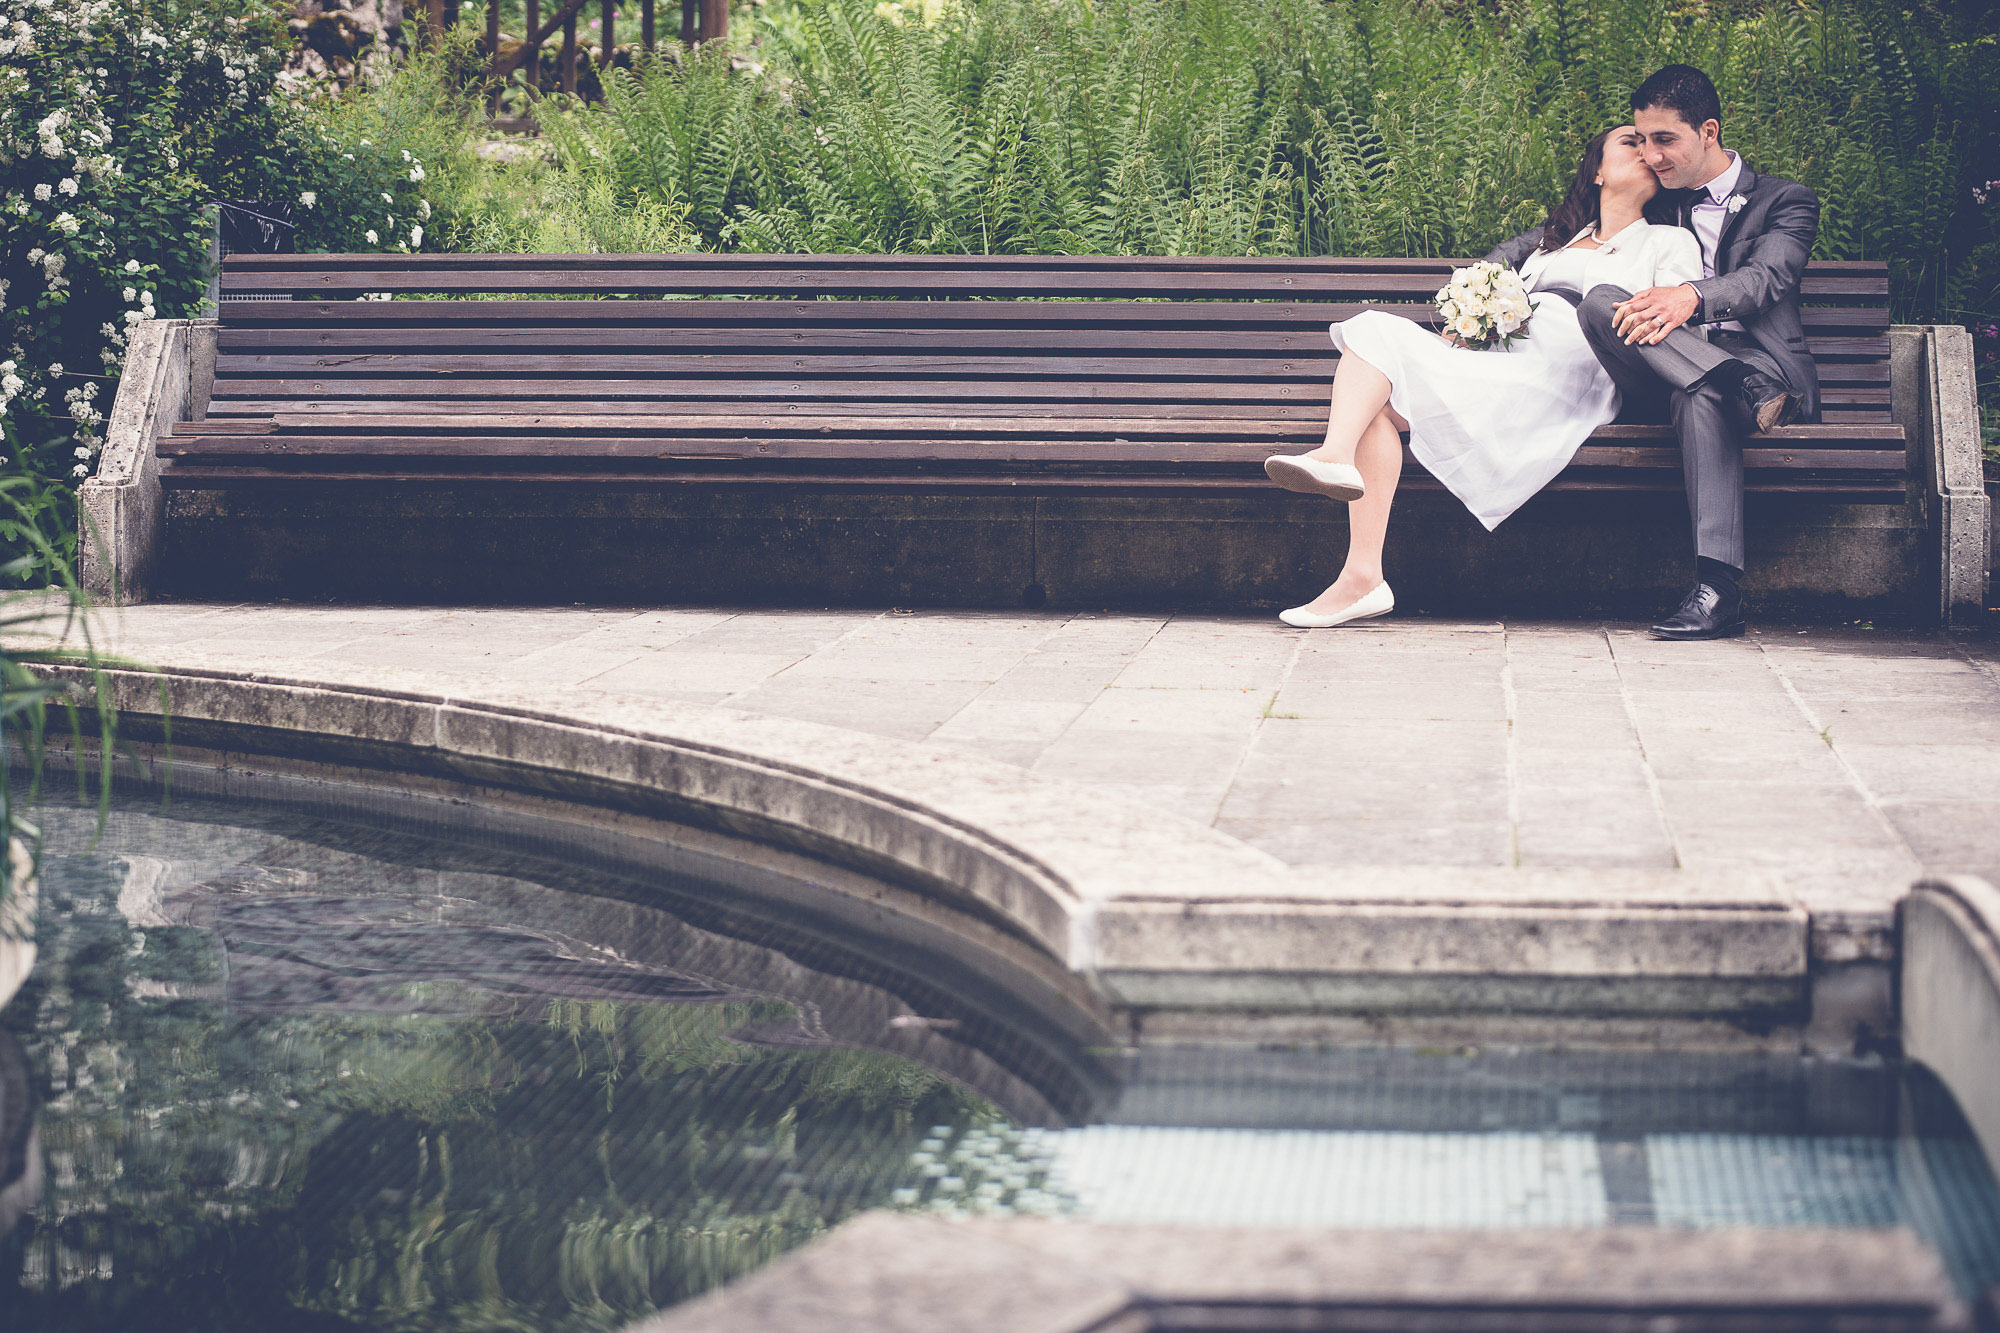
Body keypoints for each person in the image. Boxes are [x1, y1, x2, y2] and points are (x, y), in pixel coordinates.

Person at [1262, 126, 1701, 628]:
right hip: (1502, 365)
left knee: (1378, 370)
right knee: (1374, 353)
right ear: (1598, 171)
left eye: (1652, 145)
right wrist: (1477, 323)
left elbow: (1667, 327)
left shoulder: (1668, 241)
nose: (1647, 151)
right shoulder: (1552, 248)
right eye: (1631, 142)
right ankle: (1361, 569)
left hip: (1569, 376)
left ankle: (1339, 478)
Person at [1549, 64, 1820, 641]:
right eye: (1641, 141)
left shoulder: (1785, 202)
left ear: (1709, 132)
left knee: (1700, 398)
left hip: (1758, 359)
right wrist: (1484, 281)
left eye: (1664, 139)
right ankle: (1735, 381)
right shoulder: (1660, 198)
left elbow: (1767, 278)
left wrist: (1691, 296)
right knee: (1600, 300)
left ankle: (1717, 593)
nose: (1650, 156)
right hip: (1657, 364)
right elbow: (1557, 233)